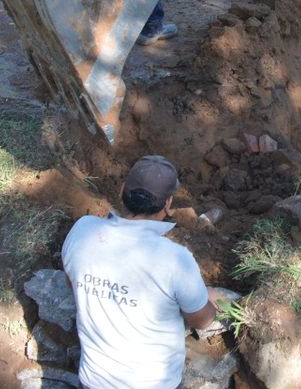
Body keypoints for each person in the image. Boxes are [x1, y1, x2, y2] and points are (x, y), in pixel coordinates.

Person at [62, 155, 222, 389]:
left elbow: (71, 282)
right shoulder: (175, 258)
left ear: (122, 190)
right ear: (167, 204)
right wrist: (208, 299)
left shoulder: (82, 230)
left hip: (93, 381)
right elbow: (203, 320)